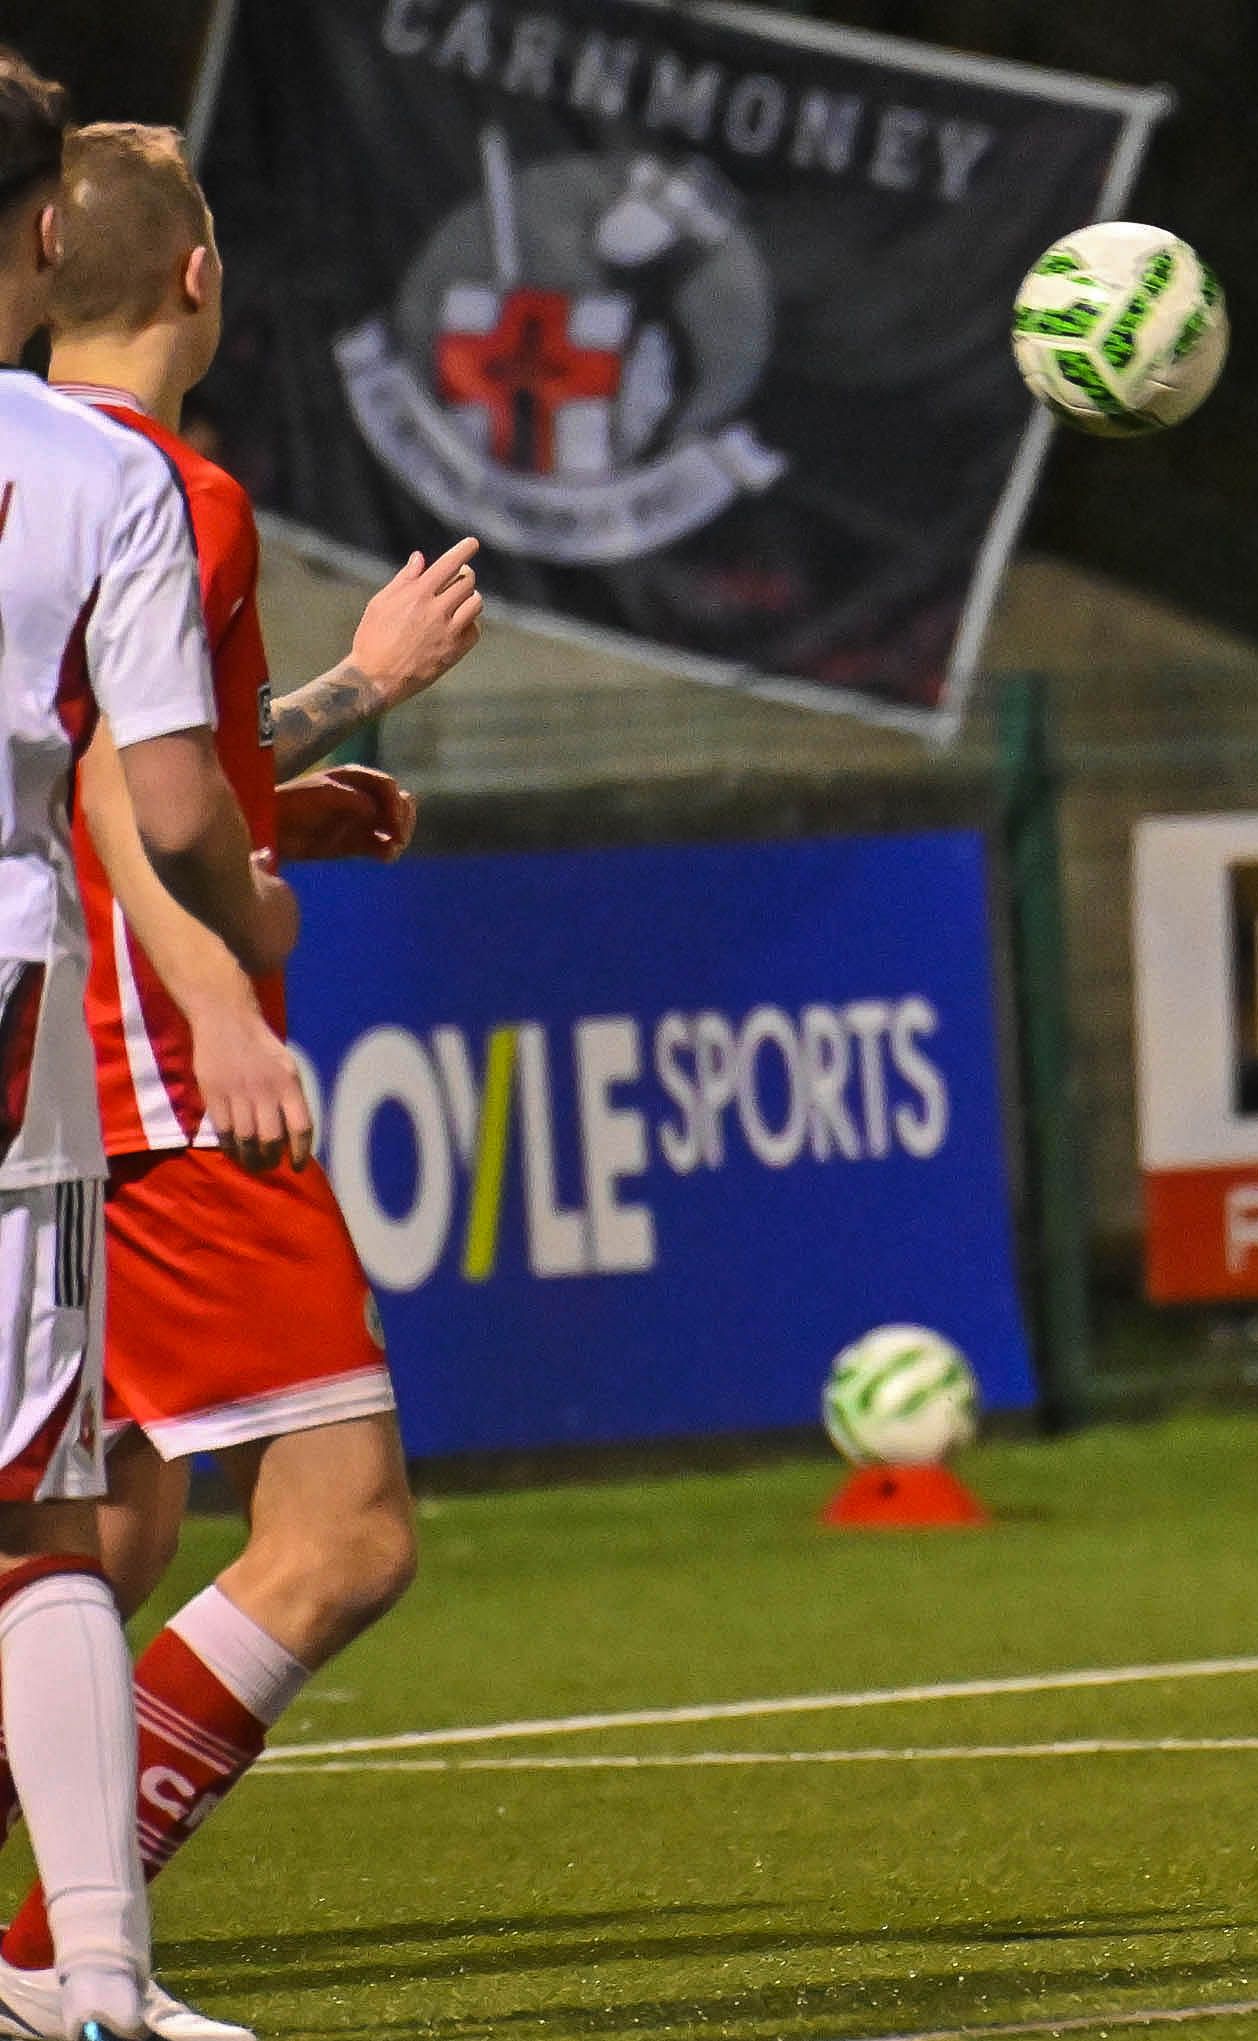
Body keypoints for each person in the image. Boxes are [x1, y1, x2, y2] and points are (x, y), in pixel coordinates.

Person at [1, 122, 484, 2041]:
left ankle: (66, 1955)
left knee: (100, 1530)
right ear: (200, 280)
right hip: (131, 1066)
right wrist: (221, 983)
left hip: (61, 1053)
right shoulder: (162, 490)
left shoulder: (49, 469)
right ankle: (60, 1962)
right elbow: (134, 797)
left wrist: (320, 749)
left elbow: (117, 759)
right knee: (341, 1527)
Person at [0, 52, 307, 2041]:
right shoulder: (107, 473)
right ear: (42, 235)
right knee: (40, 1520)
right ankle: (95, 1973)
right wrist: (244, 931)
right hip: (6, 991)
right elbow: (173, 799)